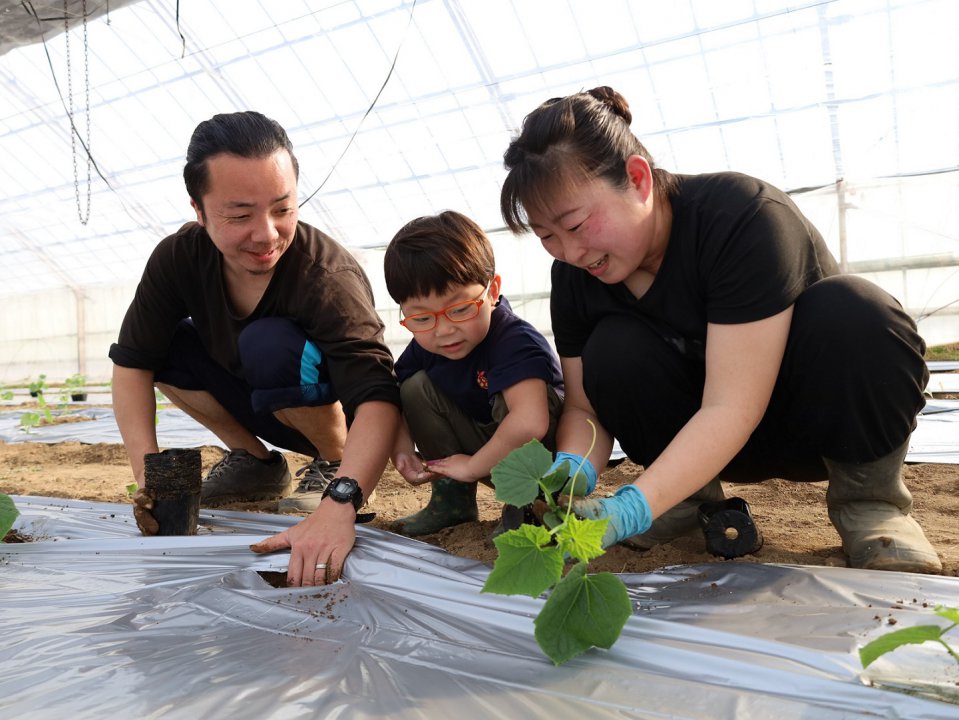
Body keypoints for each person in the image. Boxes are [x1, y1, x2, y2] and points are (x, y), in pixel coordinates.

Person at [498, 86, 941, 574]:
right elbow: (583, 405)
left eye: (576, 225)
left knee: (855, 310)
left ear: (638, 179)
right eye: (546, 238)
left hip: (812, 427)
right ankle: (682, 503)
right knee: (613, 348)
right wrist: (574, 466)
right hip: (697, 448)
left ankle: (870, 507)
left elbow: (731, 406)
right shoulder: (575, 277)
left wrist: (632, 505)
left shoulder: (740, 216)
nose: (569, 252)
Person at [109, 111, 401, 586]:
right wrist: (149, 476)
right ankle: (255, 462)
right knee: (161, 347)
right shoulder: (179, 259)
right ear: (199, 211)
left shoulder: (326, 278)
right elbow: (131, 365)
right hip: (256, 401)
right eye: (240, 215)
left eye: (282, 209)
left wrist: (343, 497)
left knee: (269, 342)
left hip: (333, 417)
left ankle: (329, 462)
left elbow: (378, 397)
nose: (266, 234)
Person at [383, 211, 564, 536]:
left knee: (513, 398)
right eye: (422, 318)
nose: (444, 330)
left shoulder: (513, 340)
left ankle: (530, 503)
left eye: (461, 309)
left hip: (547, 462)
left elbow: (530, 423)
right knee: (413, 387)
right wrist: (401, 447)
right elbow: (393, 396)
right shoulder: (426, 346)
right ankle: (452, 502)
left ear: (492, 291)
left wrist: (471, 466)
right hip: (487, 455)